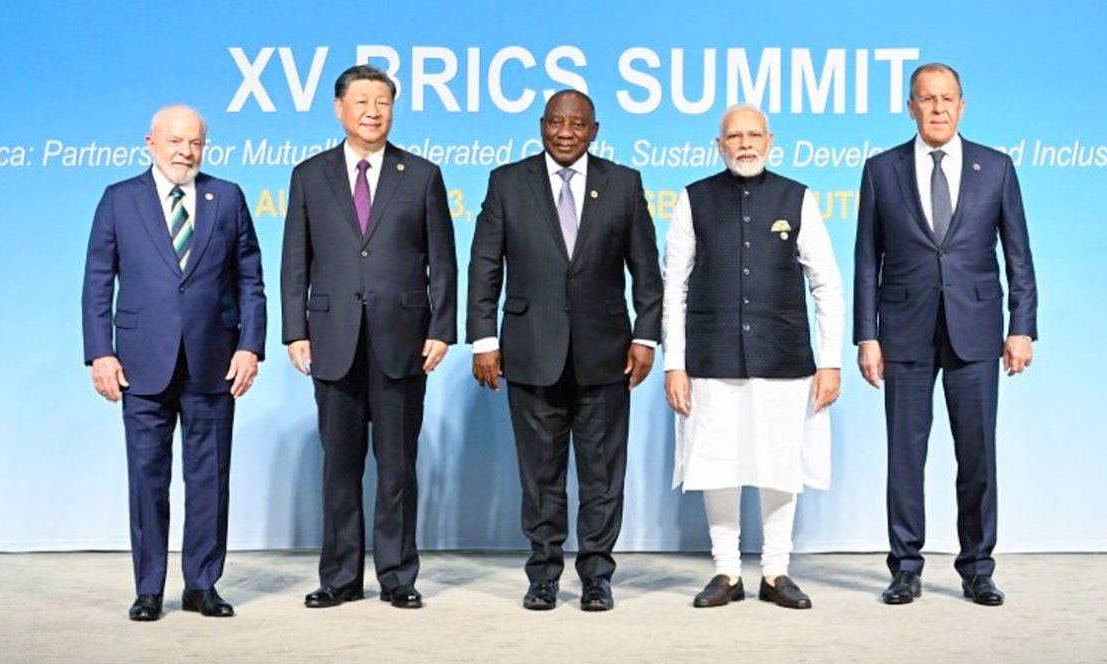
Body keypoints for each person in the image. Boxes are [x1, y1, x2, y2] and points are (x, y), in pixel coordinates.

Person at [467, 90, 663, 611]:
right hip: (530, 352)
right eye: (556, 122)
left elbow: (647, 271)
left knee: (603, 476)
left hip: (607, 355)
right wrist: (484, 339)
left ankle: (597, 575)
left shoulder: (624, 184)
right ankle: (543, 575)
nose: (565, 133)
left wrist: (646, 336)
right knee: (539, 475)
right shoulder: (508, 182)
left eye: (577, 125)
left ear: (594, 131)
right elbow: (484, 264)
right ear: (542, 125)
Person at [854, 62, 1038, 606]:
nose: (937, 108)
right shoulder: (881, 170)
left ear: (962, 106)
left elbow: (1019, 256)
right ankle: (905, 568)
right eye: (927, 98)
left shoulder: (996, 167)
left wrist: (1022, 328)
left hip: (976, 332)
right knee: (905, 458)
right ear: (910, 107)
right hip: (903, 332)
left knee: (977, 456)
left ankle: (977, 568)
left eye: (947, 98)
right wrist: (867, 335)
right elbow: (866, 259)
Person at [281, 64, 457, 610]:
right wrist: (294, 330)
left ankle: (398, 577)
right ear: (340, 109)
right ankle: (339, 577)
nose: (372, 112)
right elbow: (295, 260)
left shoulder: (421, 174)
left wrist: (442, 328)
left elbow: (442, 259)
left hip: (402, 340)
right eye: (361, 102)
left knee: (398, 467)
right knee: (339, 466)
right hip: (331, 338)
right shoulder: (309, 175)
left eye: (382, 102)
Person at [81, 105, 267, 621]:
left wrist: (250, 346)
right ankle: (148, 589)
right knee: (147, 479)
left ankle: (202, 585)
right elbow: (98, 280)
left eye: (196, 143)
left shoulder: (227, 196)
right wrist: (100, 351)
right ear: (151, 143)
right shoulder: (119, 199)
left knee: (209, 479)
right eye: (175, 142)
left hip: (214, 360)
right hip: (141, 363)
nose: (186, 152)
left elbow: (250, 278)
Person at [663, 104, 844, 610]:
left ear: (770, 141)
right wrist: (673, 363)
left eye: (753, 135)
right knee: (716, 464)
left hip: (783, 357)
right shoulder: (694, 199)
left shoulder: (797, 197)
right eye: (734, 136)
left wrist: (830, 360)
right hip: (710, 357)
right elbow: (673, 285)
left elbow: (826, 283)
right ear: (719, 145)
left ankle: (775, 571)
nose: (744, 144)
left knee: (779, 464)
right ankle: (725, 572)